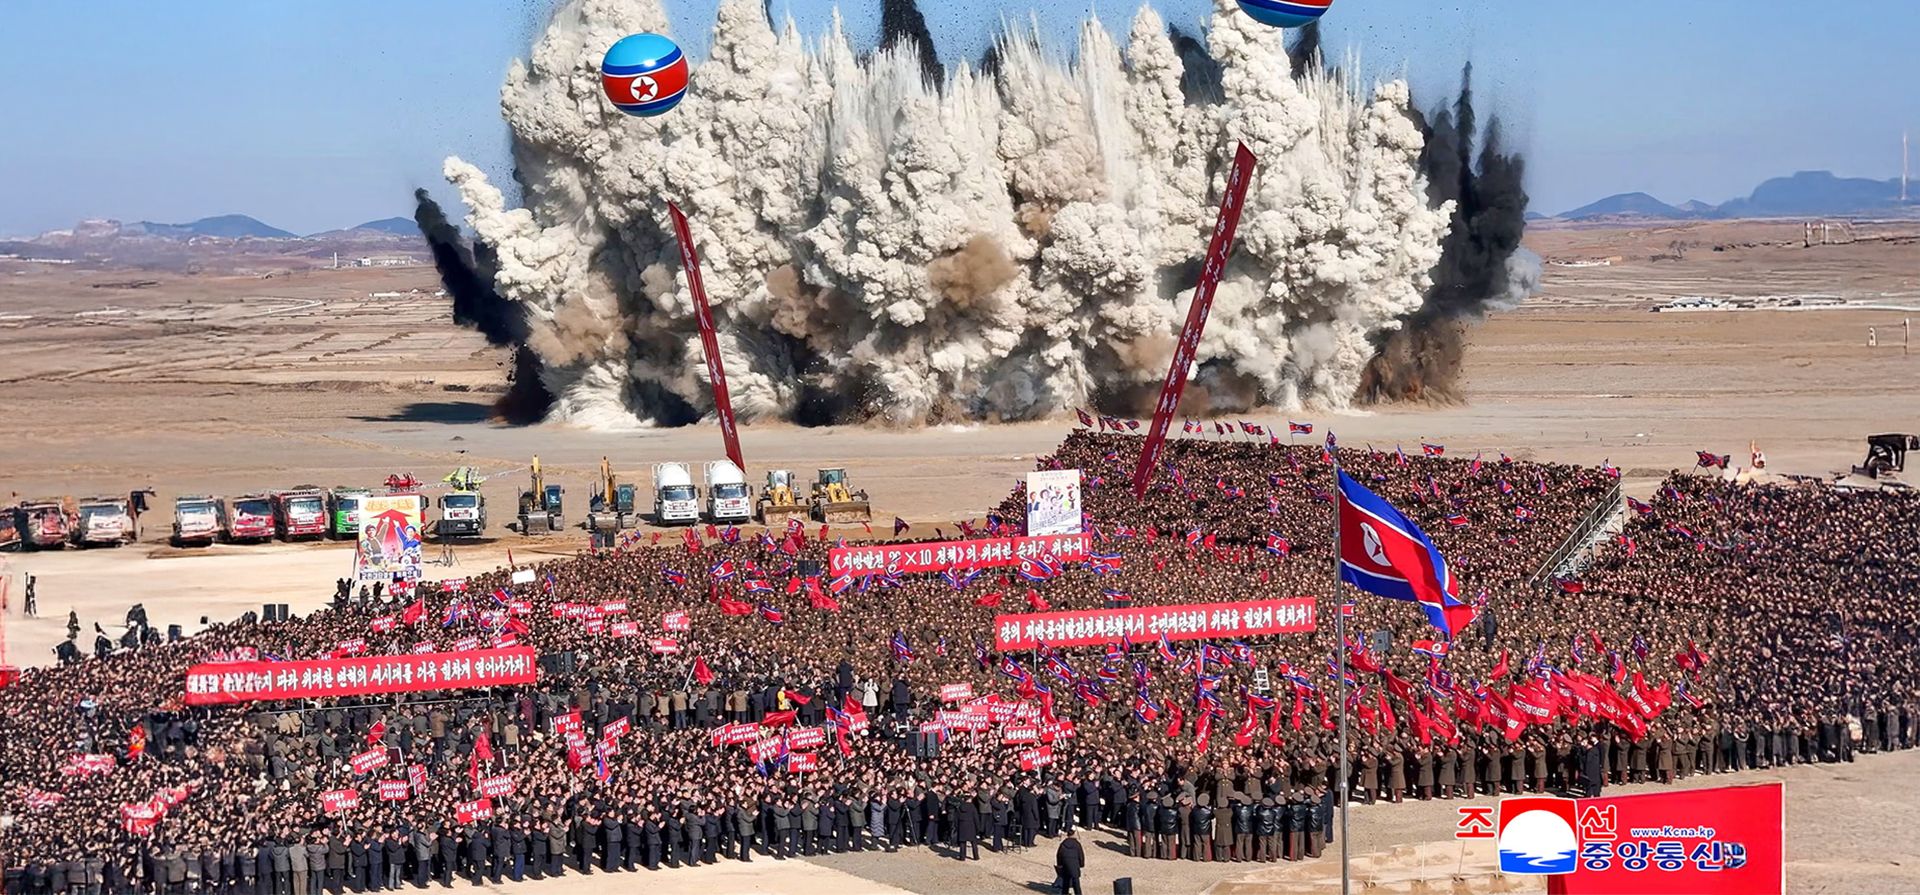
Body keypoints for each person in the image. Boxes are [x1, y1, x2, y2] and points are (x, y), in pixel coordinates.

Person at [1053, 830, 1084, 895]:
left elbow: (1059, 855)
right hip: (1075, 864)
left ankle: (1064, 893)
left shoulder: (1063, 844)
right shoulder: (1077, 844)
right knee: (1076, 881)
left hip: (1065, 863)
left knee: (1066, 880)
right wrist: (1081, 864)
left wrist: (1060, 864)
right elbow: (1081, 855)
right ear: (1074, 834)